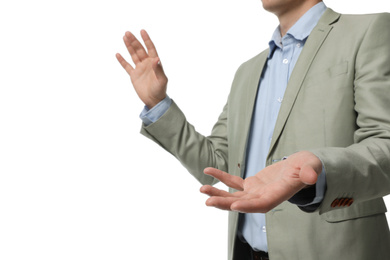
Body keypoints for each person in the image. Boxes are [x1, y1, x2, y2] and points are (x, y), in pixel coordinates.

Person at [116, 0, 390, 259]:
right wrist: (157, 103)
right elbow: (214, 164)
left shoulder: (367, 32)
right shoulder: (247, 72)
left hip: (334, 250)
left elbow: (385, 145)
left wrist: (319, 168)